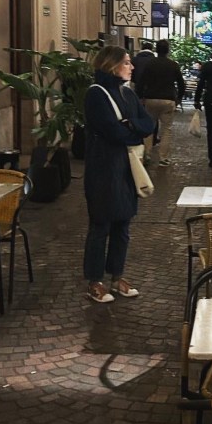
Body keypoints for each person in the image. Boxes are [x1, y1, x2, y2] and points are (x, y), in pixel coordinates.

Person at [82, 45, 154, 303]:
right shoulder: (96, 94)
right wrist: (132, 131)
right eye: (126, 62)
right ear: (111, 65)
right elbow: (112, 131)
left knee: (123, 224)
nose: (131, 67)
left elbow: (148, 124)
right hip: (103, 169)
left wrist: (130, 125)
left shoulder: (127, 93)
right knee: (100, 224)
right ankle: (95, 281)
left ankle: (117, 276)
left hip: (126, 169)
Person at [136, 39, 185, 166]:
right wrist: (179, 98)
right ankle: (163, 158)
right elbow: (181, 84)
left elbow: (141, 82)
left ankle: (146, 154)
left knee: (149, 127)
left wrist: (140, 97)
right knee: (166, 129)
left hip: (151, 99)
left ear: (156, 50)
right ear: (168, 50)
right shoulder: (173, 65)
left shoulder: (150, 64)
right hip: (168, 99)